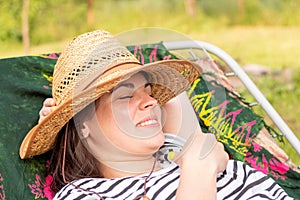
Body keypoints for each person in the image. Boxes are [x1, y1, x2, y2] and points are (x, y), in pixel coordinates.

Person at [20, 30, 293, 200]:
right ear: (84, 125)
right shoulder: (84, 195)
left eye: (150, 92)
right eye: (125, 95)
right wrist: (200, 169)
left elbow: (175, 101)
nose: (151, 103)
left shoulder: (206, 163)